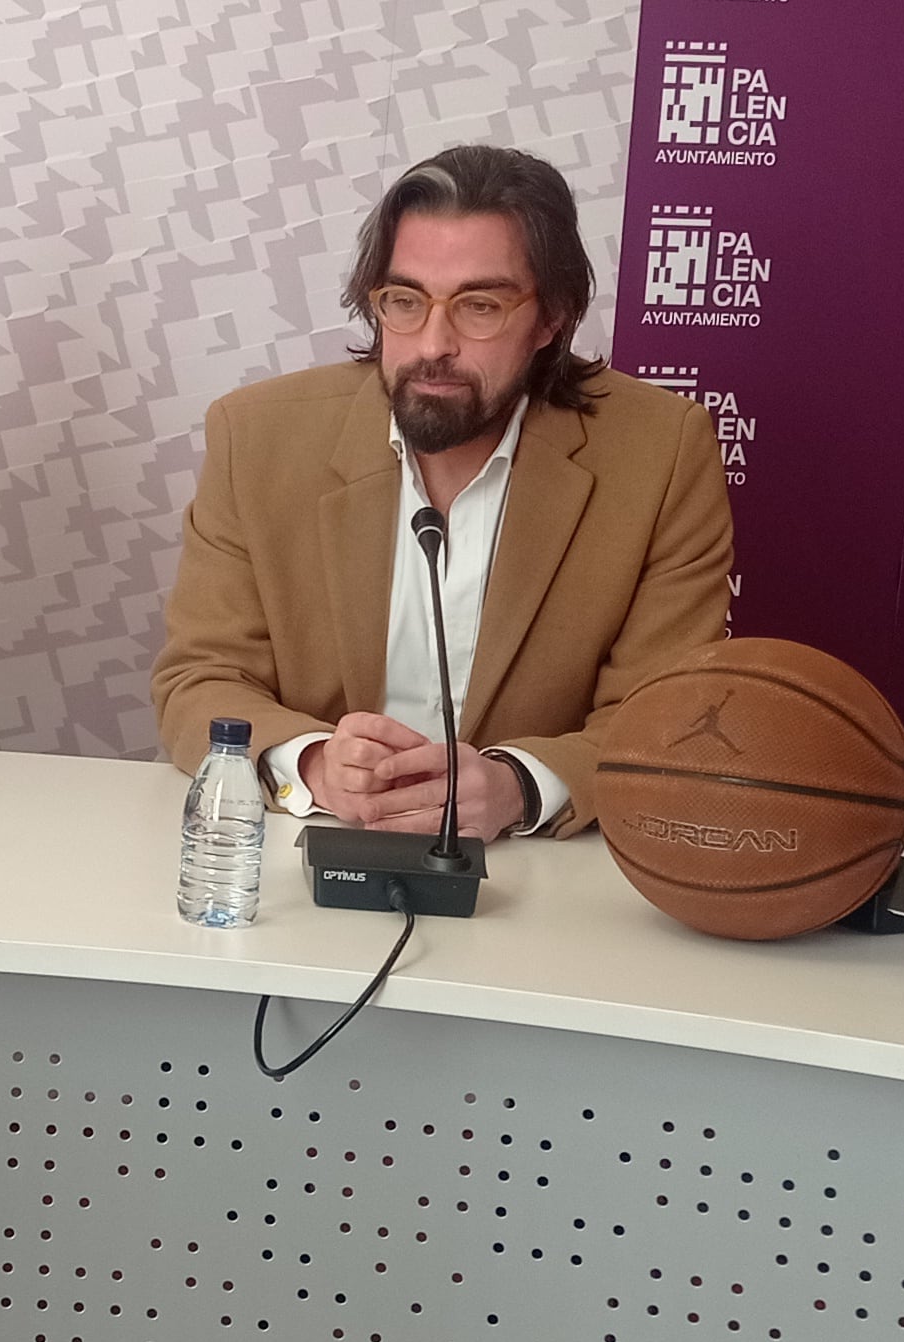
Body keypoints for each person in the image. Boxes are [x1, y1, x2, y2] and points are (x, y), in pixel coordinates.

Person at [151, 142, 729, 837]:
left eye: (479, 306)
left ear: (551, 318)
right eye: (404, 301)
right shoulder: (257, 437)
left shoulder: (661, 452)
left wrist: (519, 784)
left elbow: (664, 715)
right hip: (305, 847)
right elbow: (200, 678)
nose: (432, 343)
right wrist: (312, 765)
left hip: (538, 880)